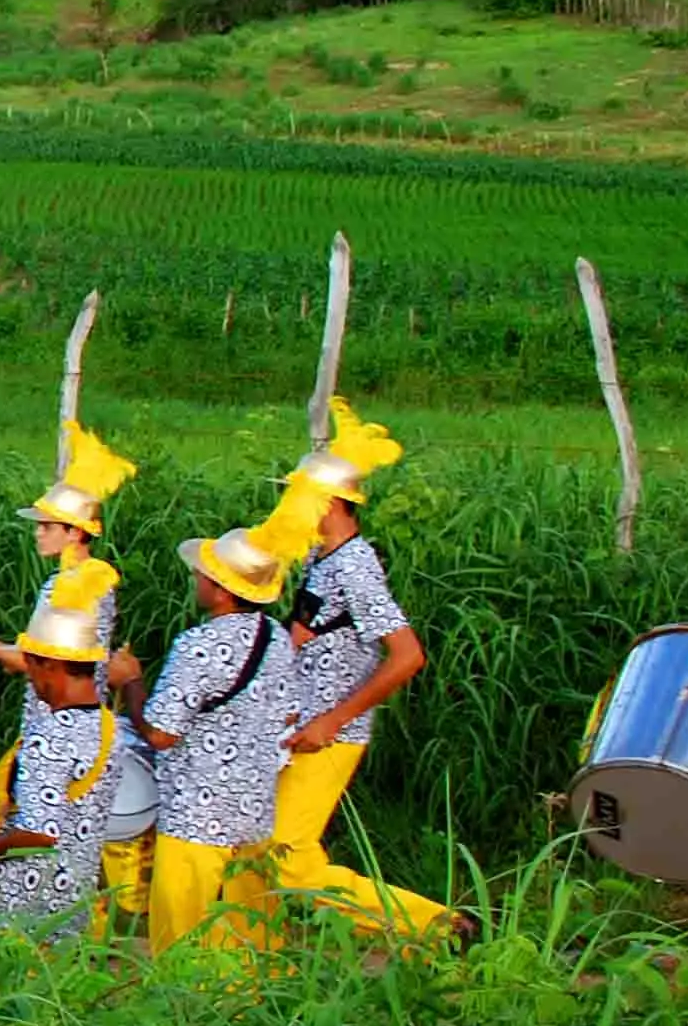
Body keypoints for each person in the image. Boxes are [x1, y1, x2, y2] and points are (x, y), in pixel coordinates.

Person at [276, 400, 458, 943]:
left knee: (287, 857)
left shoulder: (354, 566)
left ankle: (436, 928)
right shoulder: (322, 558)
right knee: (278, 851)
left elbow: (407, 655)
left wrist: (333, 719)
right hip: (303, 727)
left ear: (330, 502)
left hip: (330, 734)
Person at [135, 497, 318, 956]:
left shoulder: (197, 645)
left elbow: (160, 734)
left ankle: (175, 1013)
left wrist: (130, 682)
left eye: (203, 573)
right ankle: (252, 1013)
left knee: (175, 943)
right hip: (254, 811)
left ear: (220, 588)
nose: (196, 578)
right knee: (252, 936)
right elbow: (289, 712)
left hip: (195, 815)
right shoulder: (276, 638)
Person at [0, 556, 123, 933]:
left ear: (49, 665)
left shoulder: (51, 733)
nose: (32, 678)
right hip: (72, 906)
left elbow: (40, 833)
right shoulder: (107, 726)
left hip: (24, 909)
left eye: (32, 666)